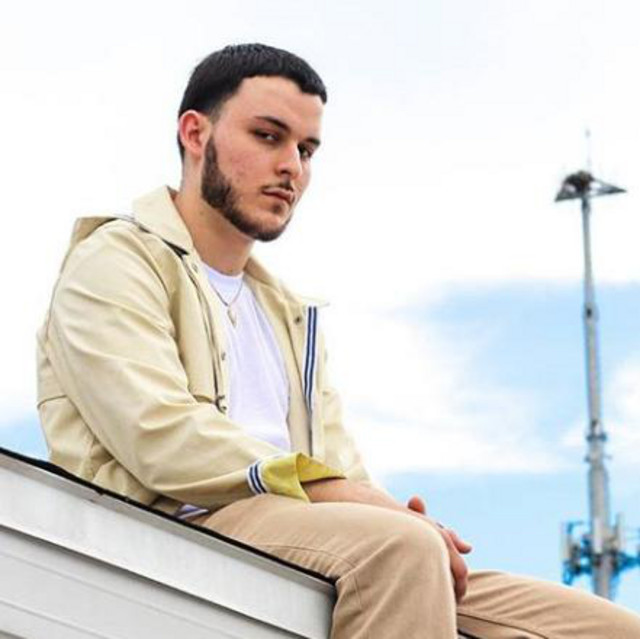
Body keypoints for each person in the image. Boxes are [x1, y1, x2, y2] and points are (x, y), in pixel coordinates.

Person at [37, 43, 640, 638]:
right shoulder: (115, 260)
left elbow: (342, 467)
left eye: (306, 150)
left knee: (607, 628)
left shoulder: (287, 313)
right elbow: (158, 435)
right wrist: (349, 498)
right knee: (401, 549)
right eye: (268, 136)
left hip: (308, 533)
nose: (292, 167)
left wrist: (387, 509)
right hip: (171, 527)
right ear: (196, 134)